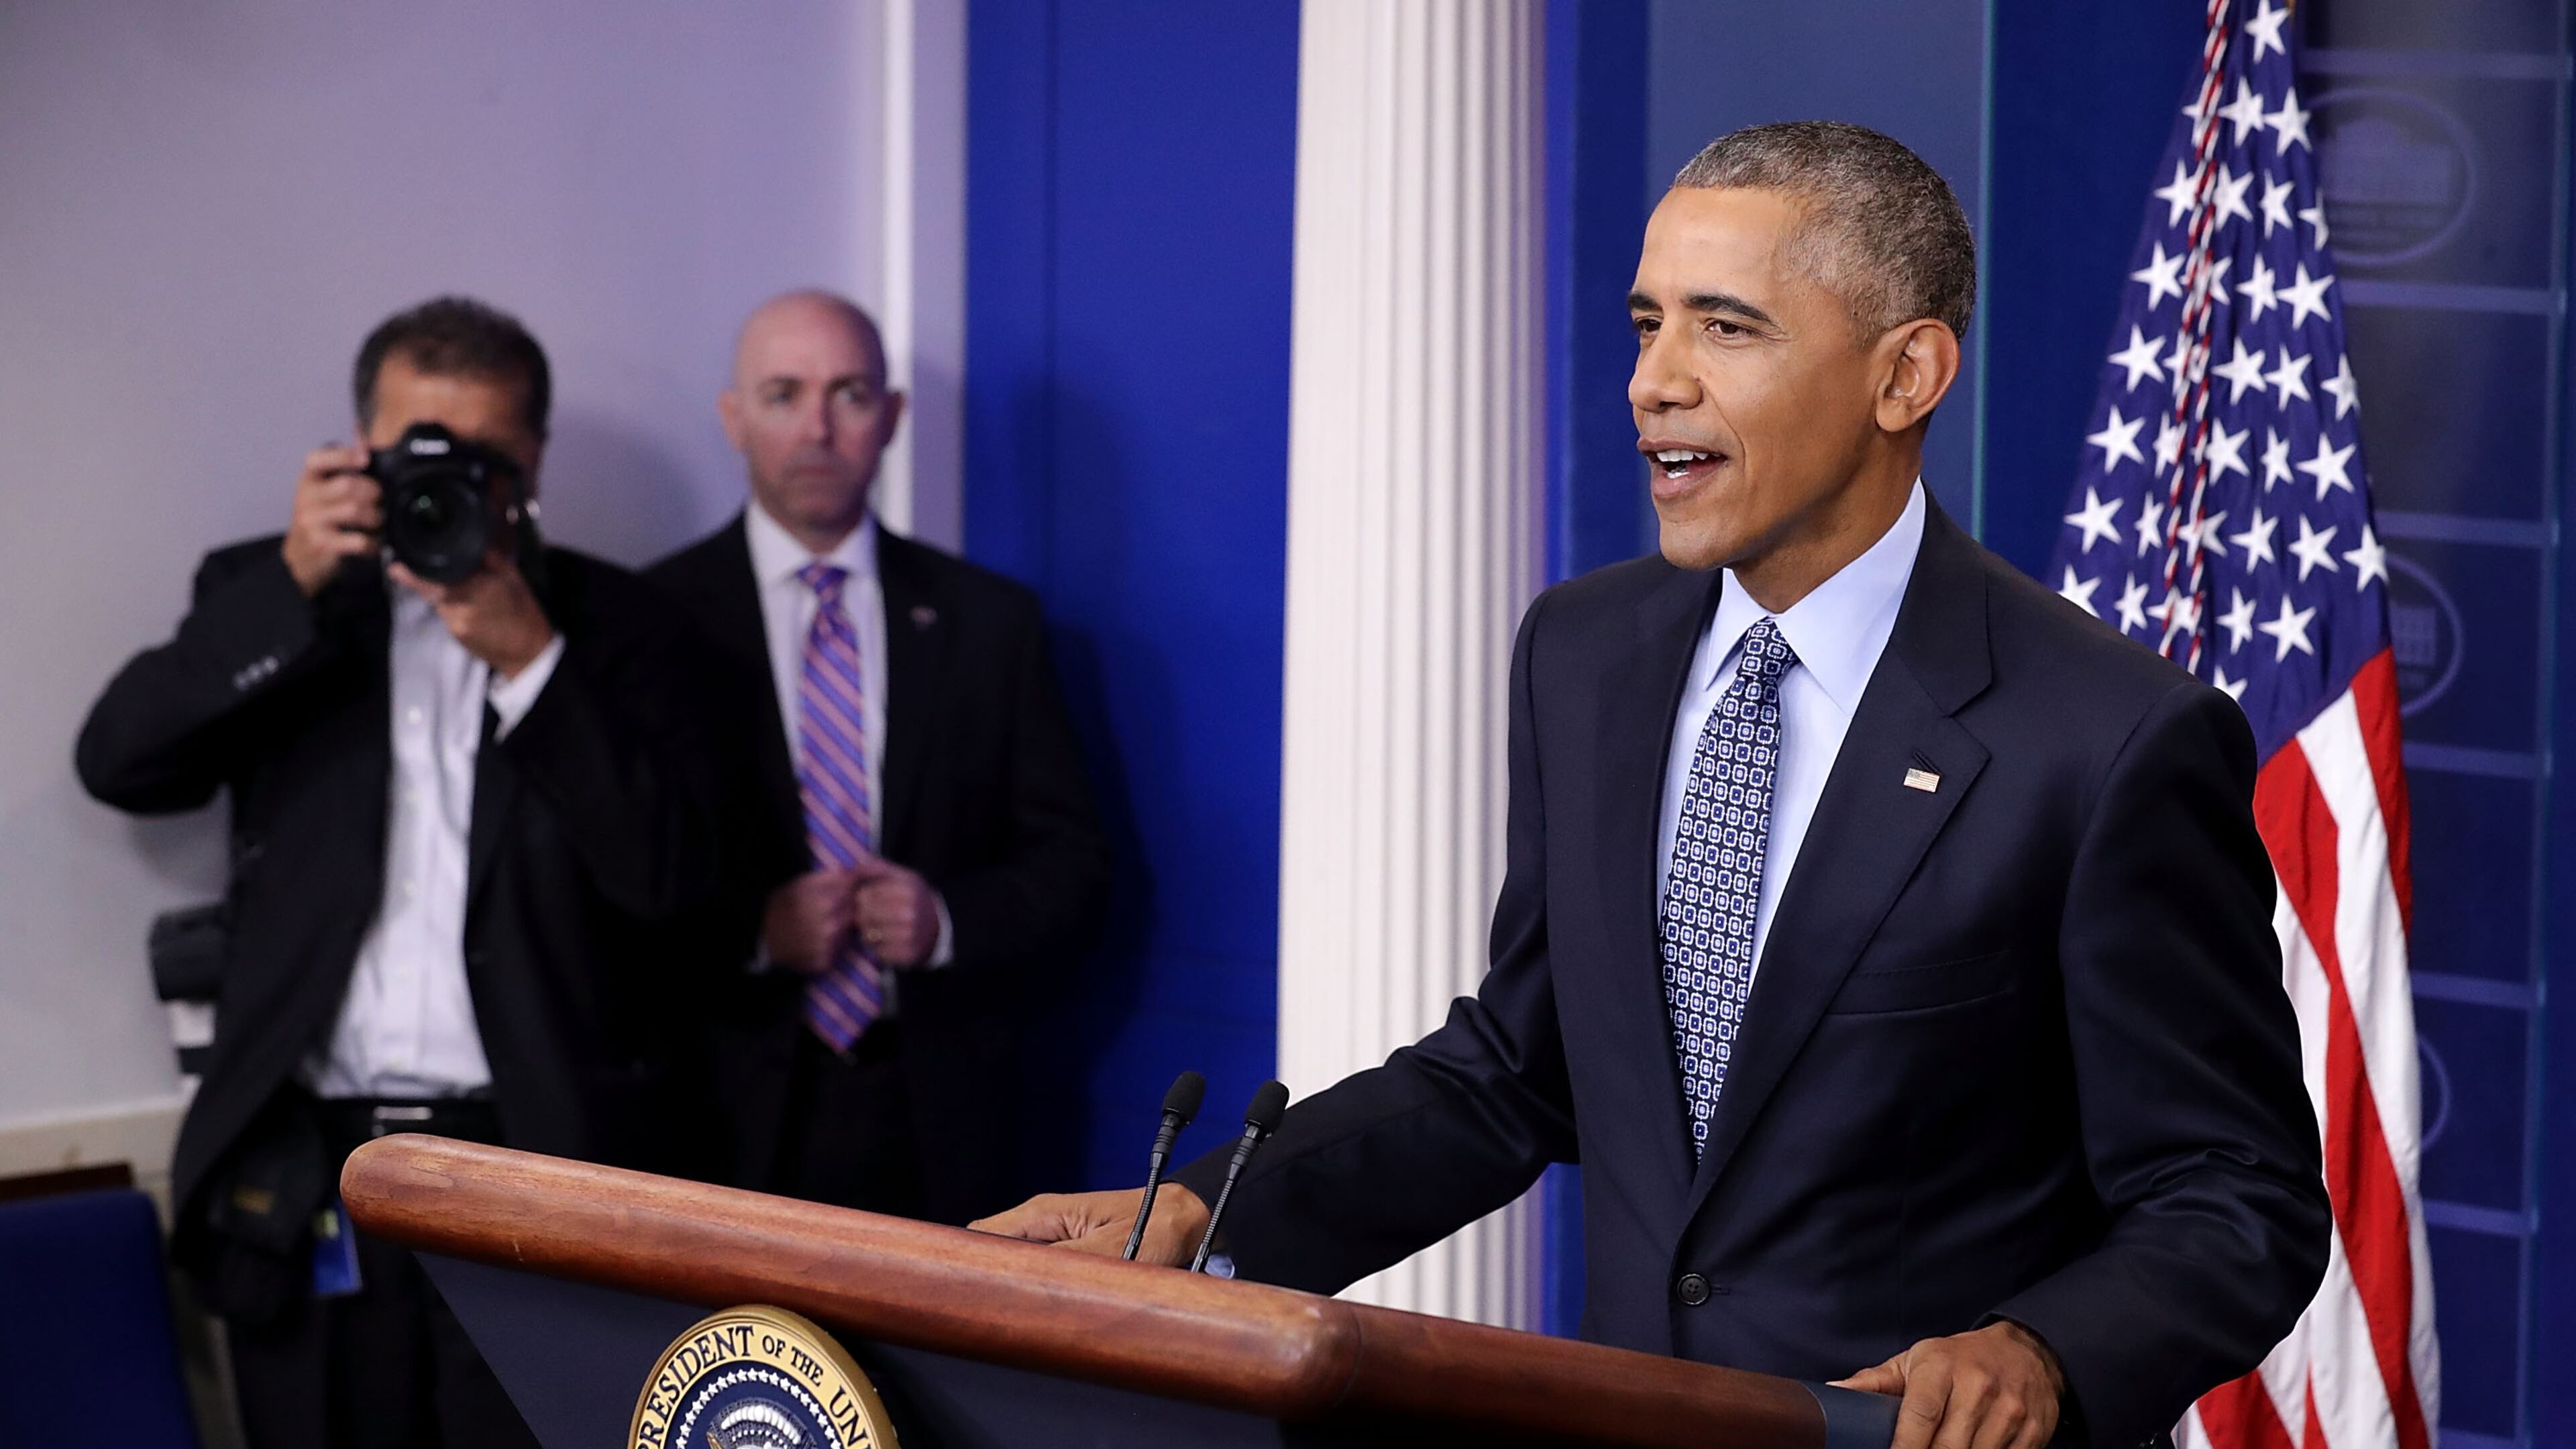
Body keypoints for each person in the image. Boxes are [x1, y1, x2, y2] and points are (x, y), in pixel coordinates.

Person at [974, 123, 2332, 1449]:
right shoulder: (1584, 653)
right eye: (1646, 324)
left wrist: (2040, 1352)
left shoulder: (2109, 737)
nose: (1653, 382)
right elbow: (1518, 1070)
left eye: (1724, 328)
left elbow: (2235, 1192)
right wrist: (1209, 1214)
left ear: (1905, 375)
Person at [76, 297, 720, 1449]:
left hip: (538, 1173)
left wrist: (535, 665)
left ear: (532, 464)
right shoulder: (270, 591)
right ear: (359, 449)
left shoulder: (624, 625)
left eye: (483, 458)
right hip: (312, 1177)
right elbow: (121, 764)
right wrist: (290, 586)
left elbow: (679, 884)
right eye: (419, 451)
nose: (446, 483)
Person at [648, 290, 1108, 1225]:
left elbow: (1074, 863)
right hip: (721, 1114)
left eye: (850, 394)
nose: (818, 428)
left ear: (892, 417)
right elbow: (609, 890)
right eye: (784, 394)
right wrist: (754, 935)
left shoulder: (991, 623)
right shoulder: (652, 619)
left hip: (941, 1116)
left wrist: (945, 921)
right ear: (734, 417)